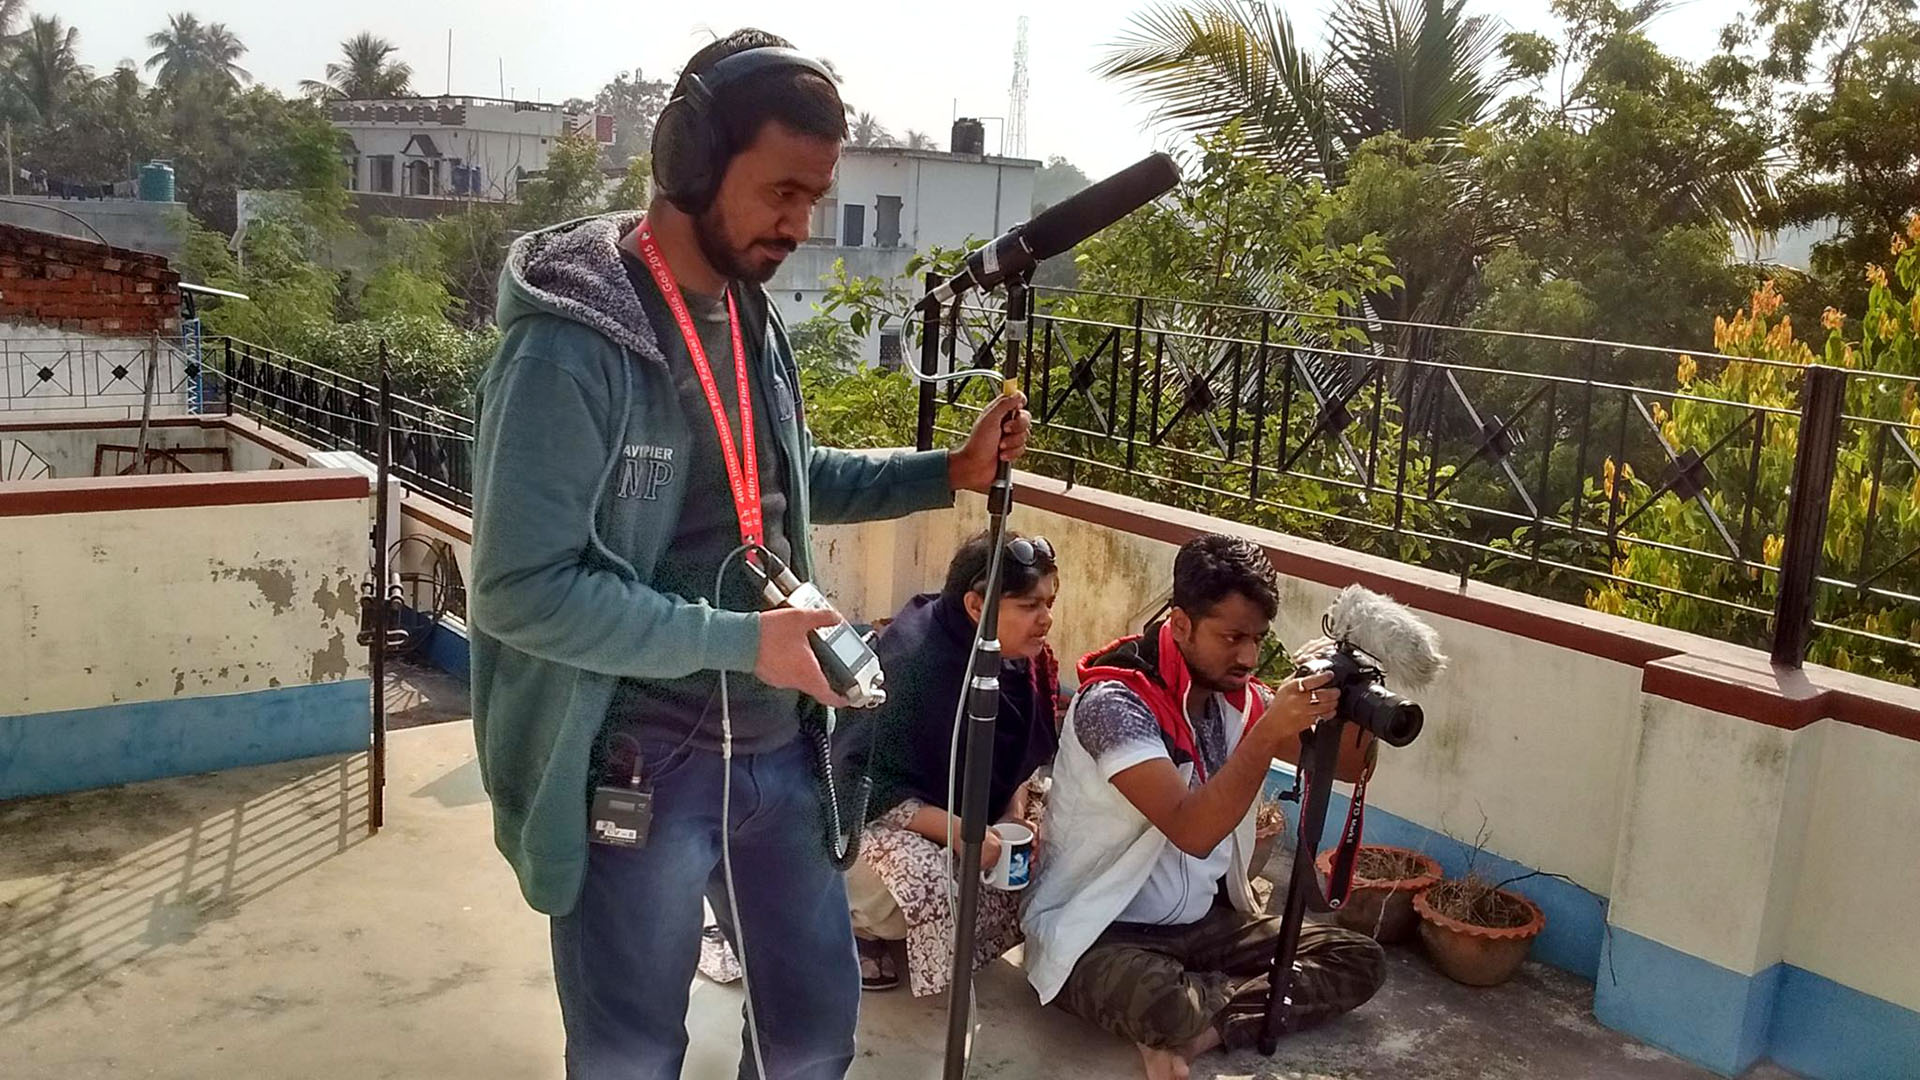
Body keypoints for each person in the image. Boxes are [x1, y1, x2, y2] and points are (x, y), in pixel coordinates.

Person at [467, 28, 1031, 1080]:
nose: (799, 224)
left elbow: (780, 479)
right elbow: (516, 591)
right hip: (636, 763)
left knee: (812, 1038)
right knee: (632, 1052)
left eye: (814, 197)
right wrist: (739, 640)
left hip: (777, 749)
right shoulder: (568, 346)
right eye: (780, 191)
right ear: (688, 161)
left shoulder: (749, 313)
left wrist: (939, 470)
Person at [1021, 534, 1385, 1080]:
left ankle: (1201, 1030)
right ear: (1182, 623)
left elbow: (1353, 767)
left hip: (1205, 925)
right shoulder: (1116, 705)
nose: (1248, 657)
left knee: (1358, 959)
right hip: (1101, 933)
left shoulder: (1237, 694)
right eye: (1232, 637)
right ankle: (1199, 1012)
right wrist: (1265, 737)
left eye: (1258, 639)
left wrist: (1351, 691)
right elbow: (1193, 830)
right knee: (1163, 1004)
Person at [850, 530, 1062, 995]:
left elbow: (1016, 760)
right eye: (1029, 606)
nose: (1045, 619)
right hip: (872, 824)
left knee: (1051, 851)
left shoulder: (1011, 657)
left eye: (1049, 602)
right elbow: (859, 784)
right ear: (974, 605)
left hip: (967, 826)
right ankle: (859, 926)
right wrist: (962, 834)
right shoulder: (916, 664)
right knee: (924, 878)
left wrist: (1009, 815)